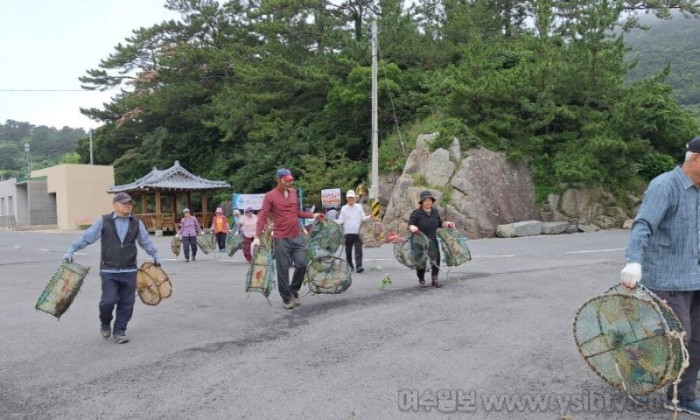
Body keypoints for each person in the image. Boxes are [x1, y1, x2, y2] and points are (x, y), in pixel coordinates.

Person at [621, 136, 700, 415]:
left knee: (696, 339)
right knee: (671, 340)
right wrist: (633, 261)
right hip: (667, 280)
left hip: (695, 279)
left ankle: (682, 396)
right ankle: (637, 379)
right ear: (697, 159)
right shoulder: (665, 186)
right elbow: (642, 225)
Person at [62, 192, 161, 344]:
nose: (128, 205)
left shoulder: (136, 222)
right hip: (109, 270)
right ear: (115, 205)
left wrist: (155, 256)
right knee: (108, 301)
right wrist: (71, 250)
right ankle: (105, 321)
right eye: (124, 203)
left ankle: (120, 331)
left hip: (129, 270)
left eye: (129, 203)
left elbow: (145, 241)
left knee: (127, 303)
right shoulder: (103, 220)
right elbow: (87, 237)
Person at [252, 168, 319, 309]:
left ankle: (294, 289)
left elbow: (297, 212)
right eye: (286, 180)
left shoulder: (294, 193)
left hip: (296, 236)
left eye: (290, 180)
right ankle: (286, 298)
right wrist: (257, 236)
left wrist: (313, 215)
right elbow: (263, 216)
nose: (289, 183)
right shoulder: (270, 196)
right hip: (281, 238)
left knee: (301, 264)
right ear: (279, 180)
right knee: (283, 270)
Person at [408, 190, 455, 288]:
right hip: (420, 241)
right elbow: (410, 225)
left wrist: (447, 224)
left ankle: (435, 279)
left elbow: (439, 223)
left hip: (433, 240)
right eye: (425, 200)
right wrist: (413, 228)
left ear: (432, 202)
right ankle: (421, 279)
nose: (428, 202)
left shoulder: (435, 212)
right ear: (422, 202)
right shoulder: (416, 213)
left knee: (436, 260)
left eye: (429, 200)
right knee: (421, 261)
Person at [336, 190, 370, 273]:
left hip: (358, 232)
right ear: (347, 198)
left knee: (358, 250)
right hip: (348, 232)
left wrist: (369, 217)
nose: (351, 199)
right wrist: (331, 221)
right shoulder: (344, 208)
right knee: (348, 251)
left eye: (352, 197)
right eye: (349, 197)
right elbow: (341, 220)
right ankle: (350, 265)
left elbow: (363, 218)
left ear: (355, 198)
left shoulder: (359, 207)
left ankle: (359, 266)